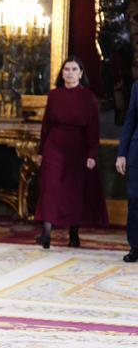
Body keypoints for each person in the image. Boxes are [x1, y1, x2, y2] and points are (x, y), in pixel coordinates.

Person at [34, 57, 108, 249]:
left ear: (81, 73)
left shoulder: (89, 98)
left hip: (78, 147)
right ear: (62, 73)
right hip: (54, 144)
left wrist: (92, 154)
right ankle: (46, 233)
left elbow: (94, 129)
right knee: (50, 187)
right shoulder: (54, 95)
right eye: (66, 69)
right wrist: (41, 151)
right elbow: (46, 125)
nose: (69, 72)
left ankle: (73, 233)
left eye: (74, 69)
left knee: (74, 190)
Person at [117, 80, 138, 262]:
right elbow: (130, 121)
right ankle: (135, 246)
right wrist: (121, 154)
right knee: (134, 198)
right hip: (136, 153)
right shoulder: (136, 86)